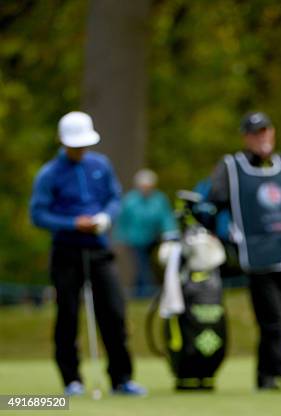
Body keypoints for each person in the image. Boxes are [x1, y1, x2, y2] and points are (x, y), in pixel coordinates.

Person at [199, 111, 281, 390]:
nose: (263, 137)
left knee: (280, 319)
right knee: (274, 320)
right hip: (255, 256)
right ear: (246, 137)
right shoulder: (231, 167)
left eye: (266, 131)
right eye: (256, 133)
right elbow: (212, 203)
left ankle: (264, 375)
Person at [30, 111, 147, 396]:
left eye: (83, 144)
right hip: (66, 252)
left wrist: (105, 218)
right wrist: (72, 223)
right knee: (68, 316)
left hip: (98, 249)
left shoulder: (100, 165)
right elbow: (38, 214)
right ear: (62, 141)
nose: (79, 149)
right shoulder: (49, 174)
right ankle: (72, 379)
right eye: (74, 145)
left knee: (114, 313)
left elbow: (114, 198)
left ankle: (121, 378)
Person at [115, 168, 178, 298]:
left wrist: (171, 233)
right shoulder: (130, 200)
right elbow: (122, 221)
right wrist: (120, 237)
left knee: (144, 266)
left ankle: (138, 292)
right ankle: (146, 293)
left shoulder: (159, 199)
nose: (146, 189)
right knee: (142, 265)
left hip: (153, 238)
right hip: (134, 240)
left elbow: (166, 218)